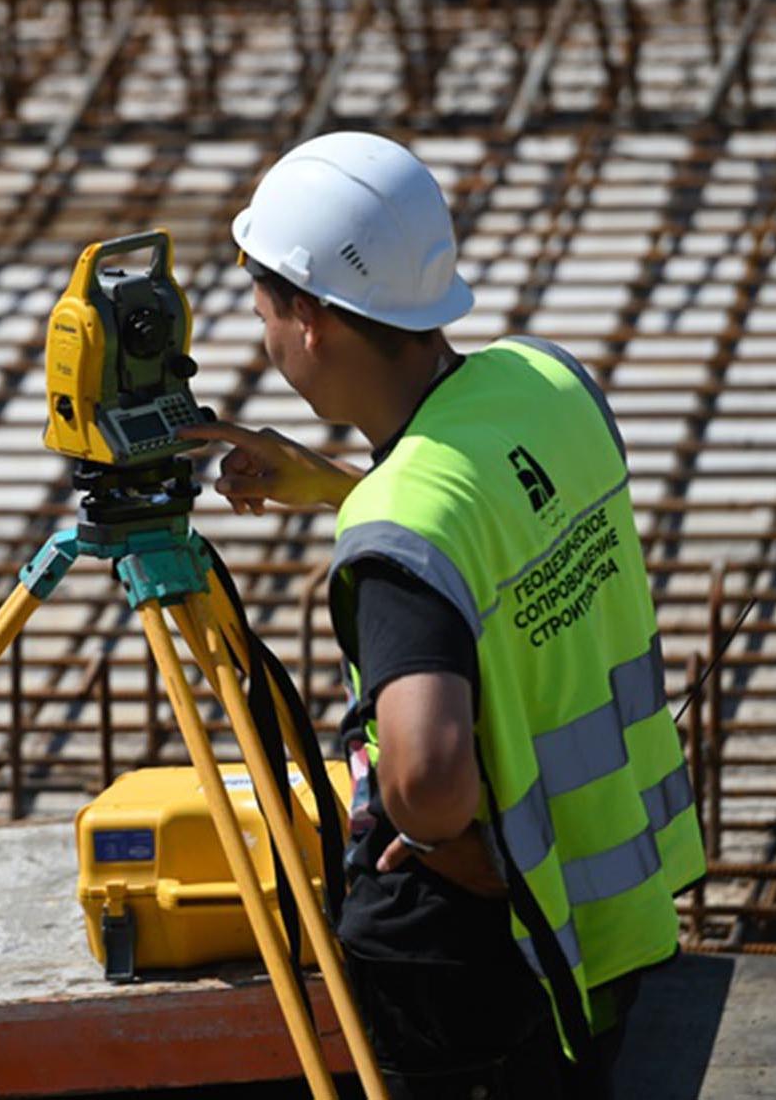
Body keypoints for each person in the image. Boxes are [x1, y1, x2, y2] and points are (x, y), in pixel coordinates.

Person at [178, 132, 705, 1100]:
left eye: (261, 308)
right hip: (614, 897)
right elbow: (495, 527)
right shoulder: (545, 379)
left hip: (512, 948)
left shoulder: (400, 522)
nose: (262, 333)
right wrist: (339, 487)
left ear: (308, 318)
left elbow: (425, 777)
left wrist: (431, 839)